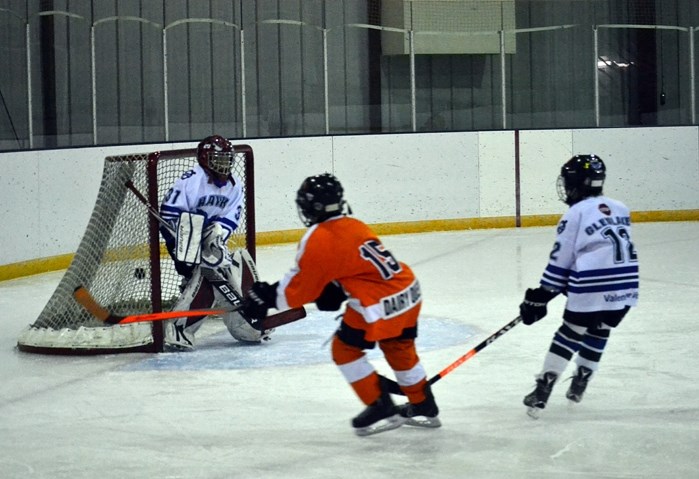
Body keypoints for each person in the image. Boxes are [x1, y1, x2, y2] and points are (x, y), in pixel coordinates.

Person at [241, 173, 440, 436]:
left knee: (344, 350)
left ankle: (381, 406)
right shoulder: (354, 224)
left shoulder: (318, 238)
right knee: (398, 347)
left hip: (378, 304)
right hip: (408, 292)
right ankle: (423, 405)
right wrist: (335, 288)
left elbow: (297, 290)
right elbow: (356, 266)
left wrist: (264, 298)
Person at [518, 154, 639, 418]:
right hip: (626, 285)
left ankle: (543, 388)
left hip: (592, 285)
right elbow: (606, 251)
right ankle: (581, 381)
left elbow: (562, 258)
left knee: (571, 332)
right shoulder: (620, 207)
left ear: (575, 184)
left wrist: (542, 294)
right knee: (601, 328)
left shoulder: (575, 213)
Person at [159, 134, 271, 350]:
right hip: (184, 238)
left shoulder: (233, 186)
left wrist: (217, 233)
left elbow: (231, 216)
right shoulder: (191, 181)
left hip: (212, 238)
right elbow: (168, 214)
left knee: (227, 269)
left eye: (227, 160)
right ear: (204, 159)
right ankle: (178, 327)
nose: (224, 166)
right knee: (207, 272)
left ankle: (245, 325)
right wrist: (187, 242)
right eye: (218, 160)